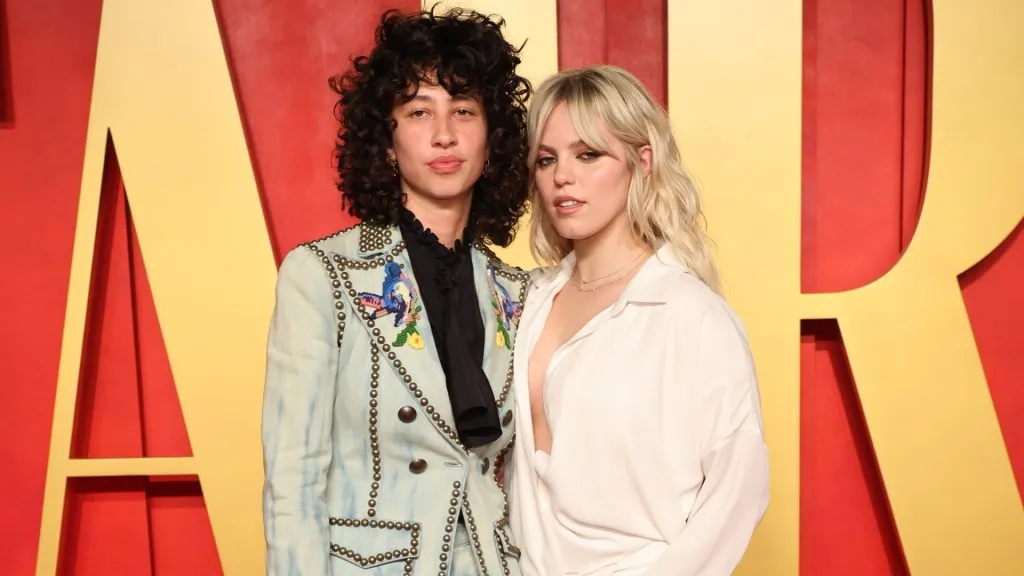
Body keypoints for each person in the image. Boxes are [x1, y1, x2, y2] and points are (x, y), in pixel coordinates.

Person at [261, 6, 533, 575]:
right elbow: (293, 479)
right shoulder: (324, 275)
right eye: (418, 111)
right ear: (385, 142)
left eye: (464, 110)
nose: (444, 134)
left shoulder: (520, 291)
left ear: (492, 140)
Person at [506, 65, 770, 576]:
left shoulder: (690, 315)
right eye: (546, 159)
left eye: (588, 155)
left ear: (641, 160)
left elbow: (739, 491)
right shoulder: (528, 301)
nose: (563, 176)